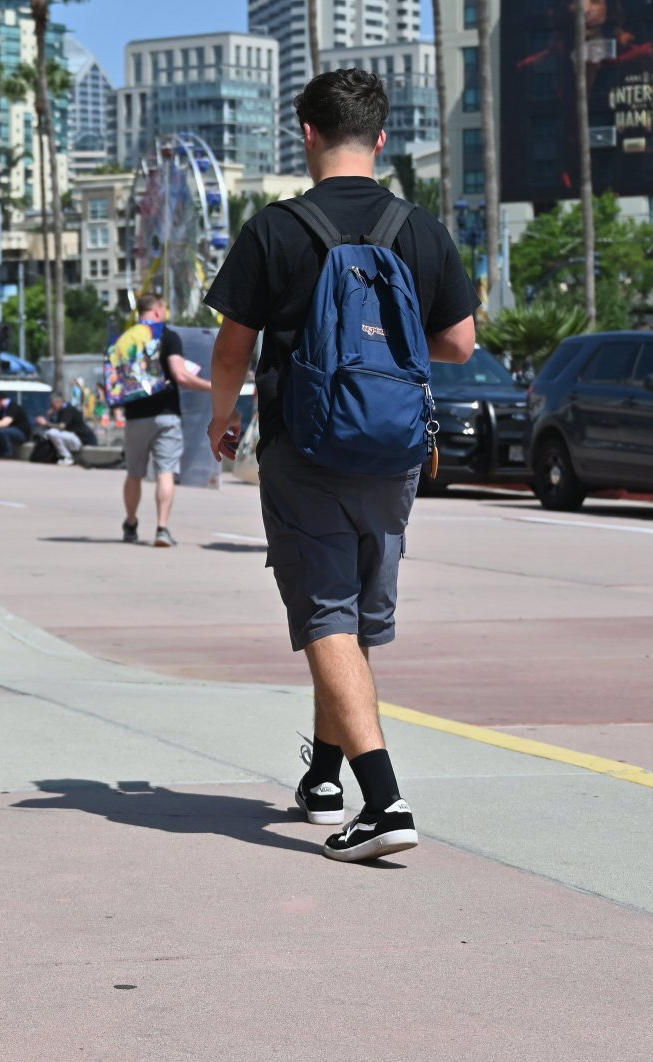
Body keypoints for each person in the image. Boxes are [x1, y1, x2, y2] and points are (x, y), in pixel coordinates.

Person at [204, 68, 477, 863]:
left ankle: (384, 800)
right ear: (382, 138)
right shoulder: (418, 228)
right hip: (393, 451)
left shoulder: (276, 228)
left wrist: (225, 419)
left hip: (305, 443)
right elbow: (460, 343)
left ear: (308, 133)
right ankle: (324, 777)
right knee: (354, 619)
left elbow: (232, 347)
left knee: (325, 614)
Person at [110, 294, 210, 547]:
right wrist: (212, 386)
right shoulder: (167, 335)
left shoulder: (124, 339)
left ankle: (131, 523)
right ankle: (162, 528)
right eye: (163, 308)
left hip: (135, 415)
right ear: (156, 310)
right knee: (165, 471)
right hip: (166, 413)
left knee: (134, 473)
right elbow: (180, 375)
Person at [35, 391, 96, 465]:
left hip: (80, 439)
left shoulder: (68, 410)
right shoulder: (60, 410)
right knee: (49, 433)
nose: (52, 406)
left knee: (52, 433)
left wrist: (46, 423)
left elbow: (61, 426)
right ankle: (64, 456)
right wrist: (50, 416)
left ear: (59, 402)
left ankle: (67, 457)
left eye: (53, 404)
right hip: (73, 438)